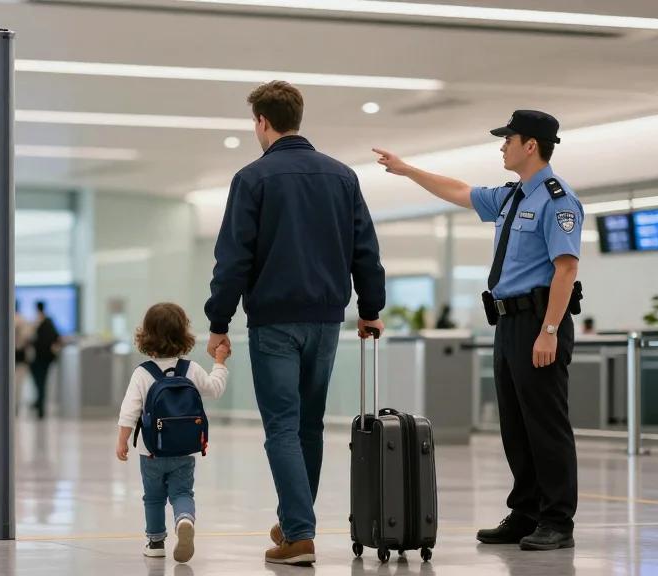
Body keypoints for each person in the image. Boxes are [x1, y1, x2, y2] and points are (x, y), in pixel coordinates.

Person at [374, 109, 582, 551]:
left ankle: (557, 520)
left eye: (509, 139)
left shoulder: (557, 199)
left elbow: (565, 270)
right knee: (515, 424)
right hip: (507, 322)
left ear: (531, 145)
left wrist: (549, 330)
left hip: (539, 321)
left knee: (545, 424)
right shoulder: (511, 198)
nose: (502, 145)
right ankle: (526, 512)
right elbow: (459, 191)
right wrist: (408, 170)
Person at [205, 80, 386, 566]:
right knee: (307, 426)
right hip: (327, 322)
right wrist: (370, 309)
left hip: (274, 323)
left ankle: (299, 534)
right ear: (297, 118)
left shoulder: (253, 179)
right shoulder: (343, 177)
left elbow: (233, 259)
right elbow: (365, 249)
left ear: (261, 122)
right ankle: (292, 522)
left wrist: (218, 321)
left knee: (282, 426)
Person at [116, 303, 230, 563]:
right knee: (182, 493)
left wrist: (122, 440)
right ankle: (184, 520)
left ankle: (156, 542)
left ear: (145, 335)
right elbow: (215, 389)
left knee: (154, 497)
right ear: (183, 335)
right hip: (184, 449)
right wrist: (220, 362)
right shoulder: (190, 369)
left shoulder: (143, 373)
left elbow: (129, 411)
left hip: (151, 452)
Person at [29, 301, 61, 420]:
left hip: (40, 359)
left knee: (40, 383)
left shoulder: (41, 323)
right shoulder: (48, 322)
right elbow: (56, 338)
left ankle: (40, 407)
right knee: (41, 383)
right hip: (45, 359)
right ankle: (39, 406)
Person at [14, 301, 32, 414]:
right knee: (18, 383)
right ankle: (15, 405)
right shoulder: (22, 320)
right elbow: (27, 338)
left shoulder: (4, 319)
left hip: (12, 356)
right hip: (20, 356)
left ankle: (11, 405)